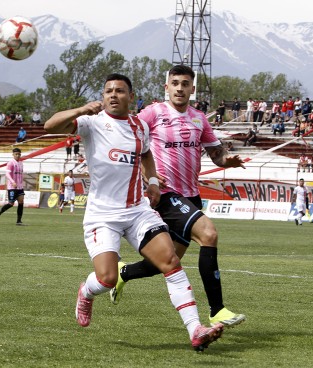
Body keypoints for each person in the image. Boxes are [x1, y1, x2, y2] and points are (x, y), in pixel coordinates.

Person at [44, 72, 224, 351]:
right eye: (108, 91)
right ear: (102, 97)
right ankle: (86, 291)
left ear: (130, 96)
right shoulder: (91, 123)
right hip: (103, 214)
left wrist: (152, 182)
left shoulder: (139, 126)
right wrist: (80, 109)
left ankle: (195, 329)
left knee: (170, 260)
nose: (113, 95)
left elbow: (146, 155)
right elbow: (49, 126)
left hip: (138, 210)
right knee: (107, 278)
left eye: (119, 91)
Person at [110, 65, 246, 328]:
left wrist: (227, 161)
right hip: (165, 194)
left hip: (190, 197)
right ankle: (216, 309)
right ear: (167, 87)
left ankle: (122, 272)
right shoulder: (153, 113)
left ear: (192, 89)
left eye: (185, 84)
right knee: (209, 233)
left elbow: (216, 154)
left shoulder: (199, 119)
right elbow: (128, 140)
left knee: (167, 260)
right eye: (175, 83)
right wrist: (144, 175)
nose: (180, 88)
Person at [0, 148, 26, 226]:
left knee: (21, 202)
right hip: (12, 187)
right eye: (16, 154)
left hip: (20, 187)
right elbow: (7, 174)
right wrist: (13, 182)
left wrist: (21, 183)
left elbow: (21, 174)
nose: (18, 155)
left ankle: (18, 221)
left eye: (19, 154)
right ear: (13, 155)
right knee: (11, 203)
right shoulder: (11, 163)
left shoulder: (21, 163)